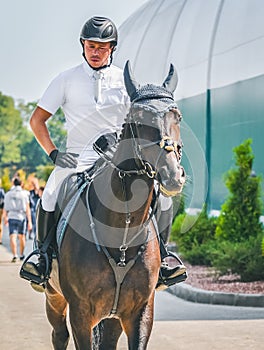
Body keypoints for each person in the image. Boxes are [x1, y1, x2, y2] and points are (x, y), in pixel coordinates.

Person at [20, 16, 186, 291]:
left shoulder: (125, 81)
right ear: (83, 45)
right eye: (91, 46)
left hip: (116, 156)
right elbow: (37, 120)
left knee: (163, 199)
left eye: (102, 47)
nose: (95, 52)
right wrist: (53, 153)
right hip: (76, 157)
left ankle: (165, 258)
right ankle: (43, 256)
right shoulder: (65, 79)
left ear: (112, 48)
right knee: (49, 193)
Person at [2, 177, 32, 262]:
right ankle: (21, 254)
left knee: (12, 236)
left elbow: (5, 208)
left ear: (13, 184)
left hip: (11, 216)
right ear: (21, 183)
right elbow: (27, 208)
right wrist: (29, 221)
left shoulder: (8, 194)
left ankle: (15, 255)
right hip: (21, 216)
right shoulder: (25, 194)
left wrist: (5, 218)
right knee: (22, 236)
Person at [0, 179, 5, 244]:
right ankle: (0, 239)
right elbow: (3, 201)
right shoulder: (1, 191)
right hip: (0, 208)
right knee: (0, 224)